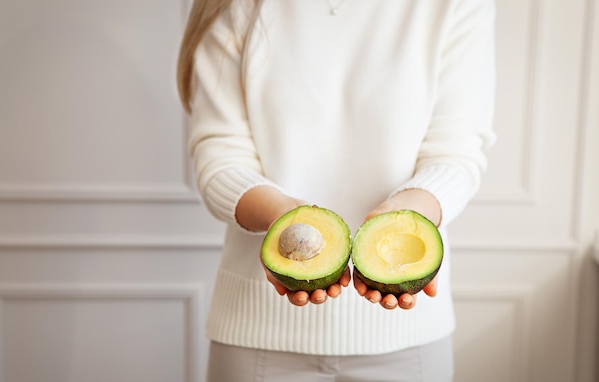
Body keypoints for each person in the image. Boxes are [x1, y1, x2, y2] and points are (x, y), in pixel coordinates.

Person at [176, 0, 496, 380]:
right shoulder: (234, 5)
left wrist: (408, 213)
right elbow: (221, 154)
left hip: (407, 341)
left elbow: (456, 150)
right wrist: (283, 217)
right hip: (258, 338)